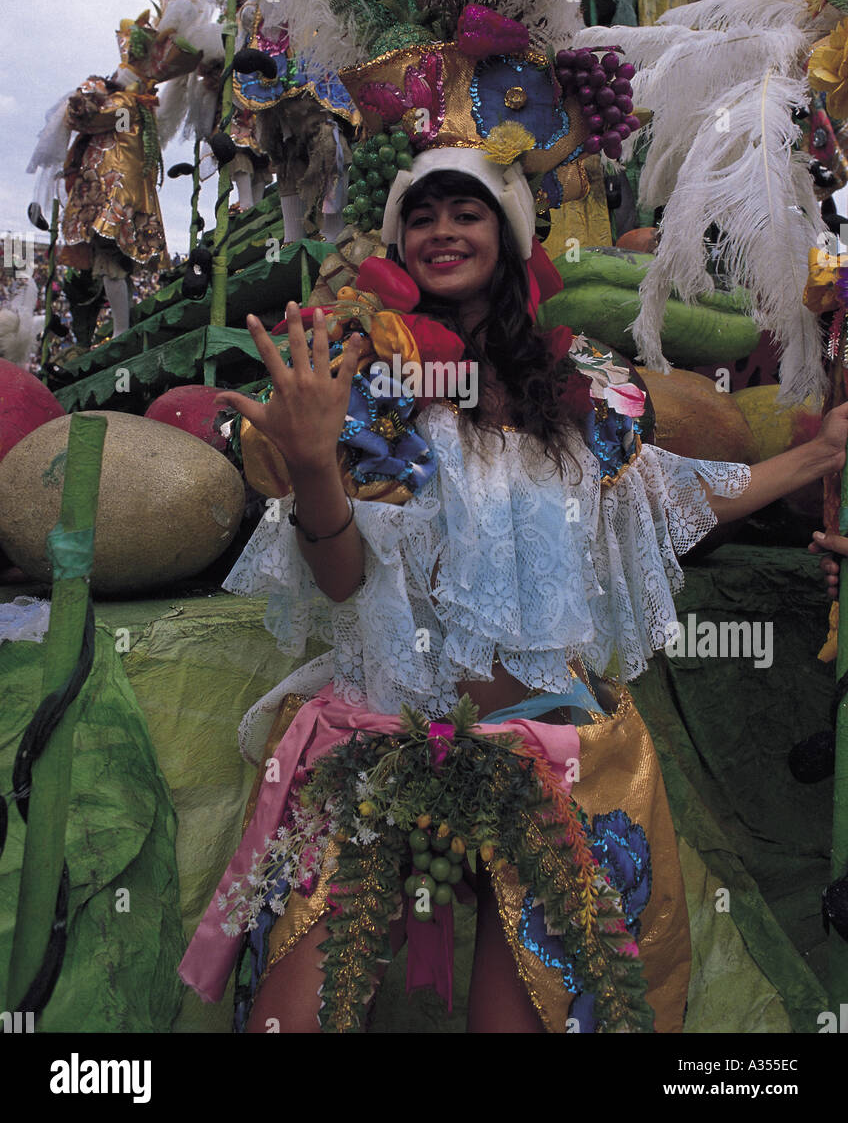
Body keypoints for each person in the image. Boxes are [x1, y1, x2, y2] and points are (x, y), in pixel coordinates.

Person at [179, 150, 848, 1033]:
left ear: (508, 232)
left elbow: (677, 488)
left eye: (468, 211)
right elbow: (342, 581)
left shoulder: (581, 389)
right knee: (290, 1021)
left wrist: (820, 452)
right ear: (398, 241)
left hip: (546, 749)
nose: (443, 231)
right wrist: (310, 466)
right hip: (384, 742)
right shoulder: (365, 381)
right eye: (422, 216)